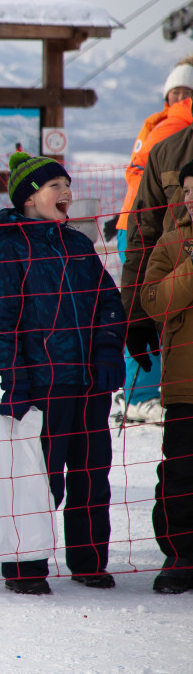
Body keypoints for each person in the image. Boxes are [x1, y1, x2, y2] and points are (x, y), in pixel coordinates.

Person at [0, 152, 125, 594]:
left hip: (88, 383)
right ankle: (26, 564)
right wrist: (16, 379)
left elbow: (109, 305)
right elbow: (1, 323)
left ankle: (88, 560)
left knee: (91, 473)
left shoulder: (78, 245)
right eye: (54, 187)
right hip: (43, 384)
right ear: (28, 198)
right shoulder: (8, 248)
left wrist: (106, 357)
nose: (66, 193)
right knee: (39, 477)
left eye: (67, 184)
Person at [117, 58, 193, 424]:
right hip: (164, 254)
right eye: (176, 93)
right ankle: (141, 395)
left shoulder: (163, 130)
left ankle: (141, 393)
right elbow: (145, 228)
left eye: (185, 92)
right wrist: (135, 316)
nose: (181, 98)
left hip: (143, 234)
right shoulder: (170, 136)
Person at [138, 158, 193, 594]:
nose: (190, 199)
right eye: (187, 191)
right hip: (185, 383)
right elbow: (155, 302)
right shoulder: (173, 243)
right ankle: (180, 555)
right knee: (180, 473)